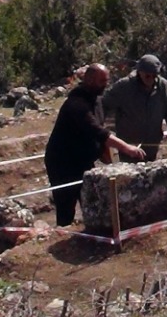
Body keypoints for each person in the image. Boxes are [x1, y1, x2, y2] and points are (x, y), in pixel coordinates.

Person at [44, 64, 145, 226]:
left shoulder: (97, 100)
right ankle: (65, 236)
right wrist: (127, 148)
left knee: (90, 198)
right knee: (66, 204)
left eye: (107, 81)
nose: (106, 85)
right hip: (62, 162)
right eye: (102, 81)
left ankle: (92, 232)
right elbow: (98, 131)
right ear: (89, 80)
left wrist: (104, 153)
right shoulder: (76, 104)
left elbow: (101, 127)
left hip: (83, 159)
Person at [101, 53, 167, 161]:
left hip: (152, 146)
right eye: (147, 76)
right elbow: (102, 105)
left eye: (154, 76)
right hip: (129, 147)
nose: (151, 79)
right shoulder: (124, 86)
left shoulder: (163, 86)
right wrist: (102, 135)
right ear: (139, 71)